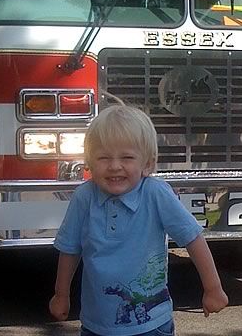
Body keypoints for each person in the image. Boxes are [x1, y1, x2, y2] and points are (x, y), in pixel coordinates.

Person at [49, 104, 229, 336]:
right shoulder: (84, 197)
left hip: (151, 325)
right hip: (95, 325)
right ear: (89, 162)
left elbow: (192, 238)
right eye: (103, 157)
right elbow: (70, 249)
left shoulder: (156, 193)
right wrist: (61, 294)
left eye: (127, 157)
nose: (114, 166)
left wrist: (213, 288)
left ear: (147, 163)